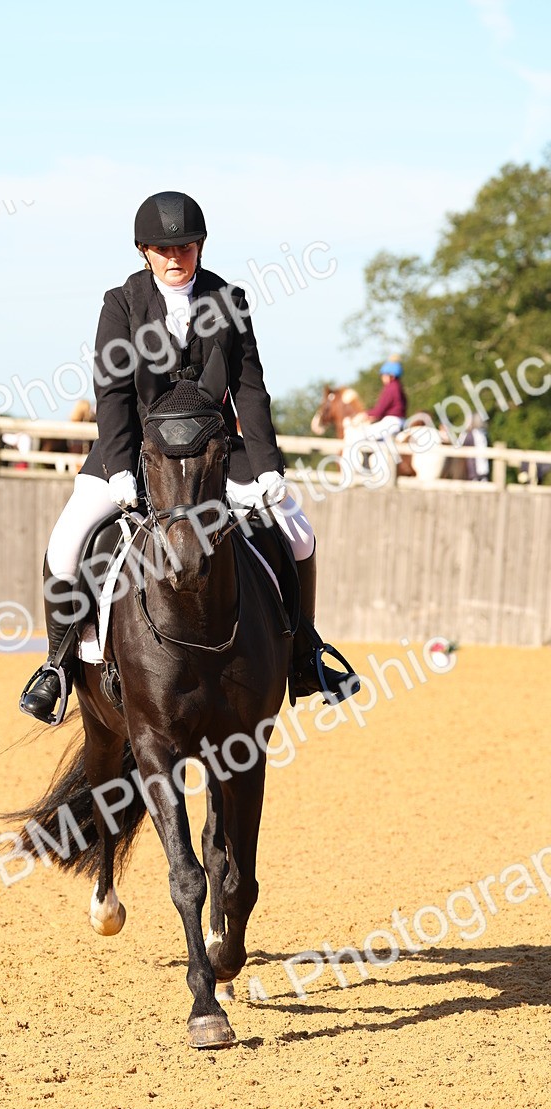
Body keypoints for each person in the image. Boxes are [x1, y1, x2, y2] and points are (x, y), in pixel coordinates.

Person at [20, 191, 359, 722]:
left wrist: (268, 465)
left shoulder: (230, 299)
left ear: (200, 246)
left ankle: (304, 655)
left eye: (185, 246)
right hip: (131, 450)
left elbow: (250, 388)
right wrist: (115, 470)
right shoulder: (122, 303)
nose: (175, 258)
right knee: (65, 544)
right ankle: (58, 665)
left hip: (215, 453)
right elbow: (110, 392)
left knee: (298, 533)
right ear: (143, 250)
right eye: (163, 248)